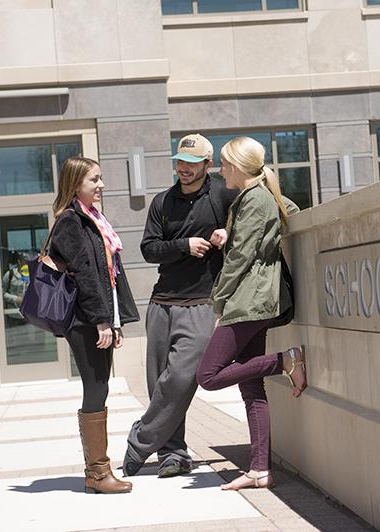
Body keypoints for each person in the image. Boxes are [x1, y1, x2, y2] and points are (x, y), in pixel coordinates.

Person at [123, 133, 237, 478]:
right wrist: (183, 245)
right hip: (161, 303)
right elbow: (148, 249)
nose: (183, 169)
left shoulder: (223, 195)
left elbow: (258, 217)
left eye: (191, 163)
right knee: (160, 382)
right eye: (180, 162)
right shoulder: (162, 202)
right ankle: (173, 453)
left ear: (208, 164)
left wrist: (227, 233)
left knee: (182, 379)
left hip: (201, 302)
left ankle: (139, 441)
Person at [196, 136, 306, 491]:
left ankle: (286, 361)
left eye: (225, 164)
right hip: (256, 298)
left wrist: (219, 301)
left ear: (240, 166)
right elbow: (288, 210)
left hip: (249, 300)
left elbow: (240, 257)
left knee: (208, 375)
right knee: (250, 386)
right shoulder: (260, 195)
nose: (220, 169)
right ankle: (260, 469)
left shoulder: (255, 198)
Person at [49, 156, 140, 494]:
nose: (101, 185)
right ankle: (98, 474)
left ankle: (98, 471)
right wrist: (101, 320)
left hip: (99, 318)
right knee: (96, 387)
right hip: (85, 321)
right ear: (75, 185)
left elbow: (108, 277)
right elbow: (85, 276)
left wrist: (113, 321)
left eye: (100, 179)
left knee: (100, 388)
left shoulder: (94, 220)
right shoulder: (70, 222)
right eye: (94, 181)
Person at [2, 252, 29, 325]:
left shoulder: (32, 274)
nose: (27, 263)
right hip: (14, 315)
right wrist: (15, 299)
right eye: (25, 261)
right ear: (19, 262)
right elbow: (2, 293)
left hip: (29, 316)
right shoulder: (10, 275)